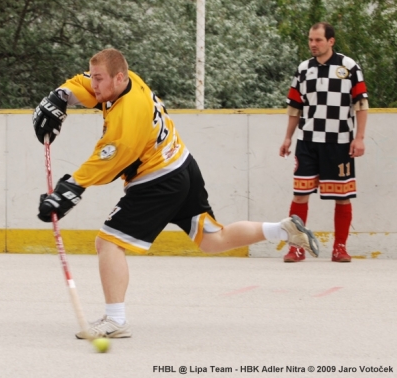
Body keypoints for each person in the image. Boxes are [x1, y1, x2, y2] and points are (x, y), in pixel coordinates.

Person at [32, 48, 319, 339]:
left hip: (158, 180)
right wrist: (61, 96)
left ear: (118, 78)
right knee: (212, 240)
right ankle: (283, 229)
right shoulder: (126, 80)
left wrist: (70, 188)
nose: (93, 84)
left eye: (99, 79)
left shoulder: (129, 115)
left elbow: (108, 161)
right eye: (93, 77)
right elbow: (82, 83)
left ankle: (116, 320)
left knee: (107, 243)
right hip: (182, 166)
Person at [280, 22, 369, 263]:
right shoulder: (303, 69)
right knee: (300, 195)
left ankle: (340, 248)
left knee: (342, 196)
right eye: (310, 39)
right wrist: (288, 137)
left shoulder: (348, 66)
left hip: (339, 142)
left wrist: (359, 138)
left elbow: (361, 104)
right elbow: (295, 107)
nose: (313, 44)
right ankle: (297, 248)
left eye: (318, 40)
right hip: (308, 142)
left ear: (331, 41)